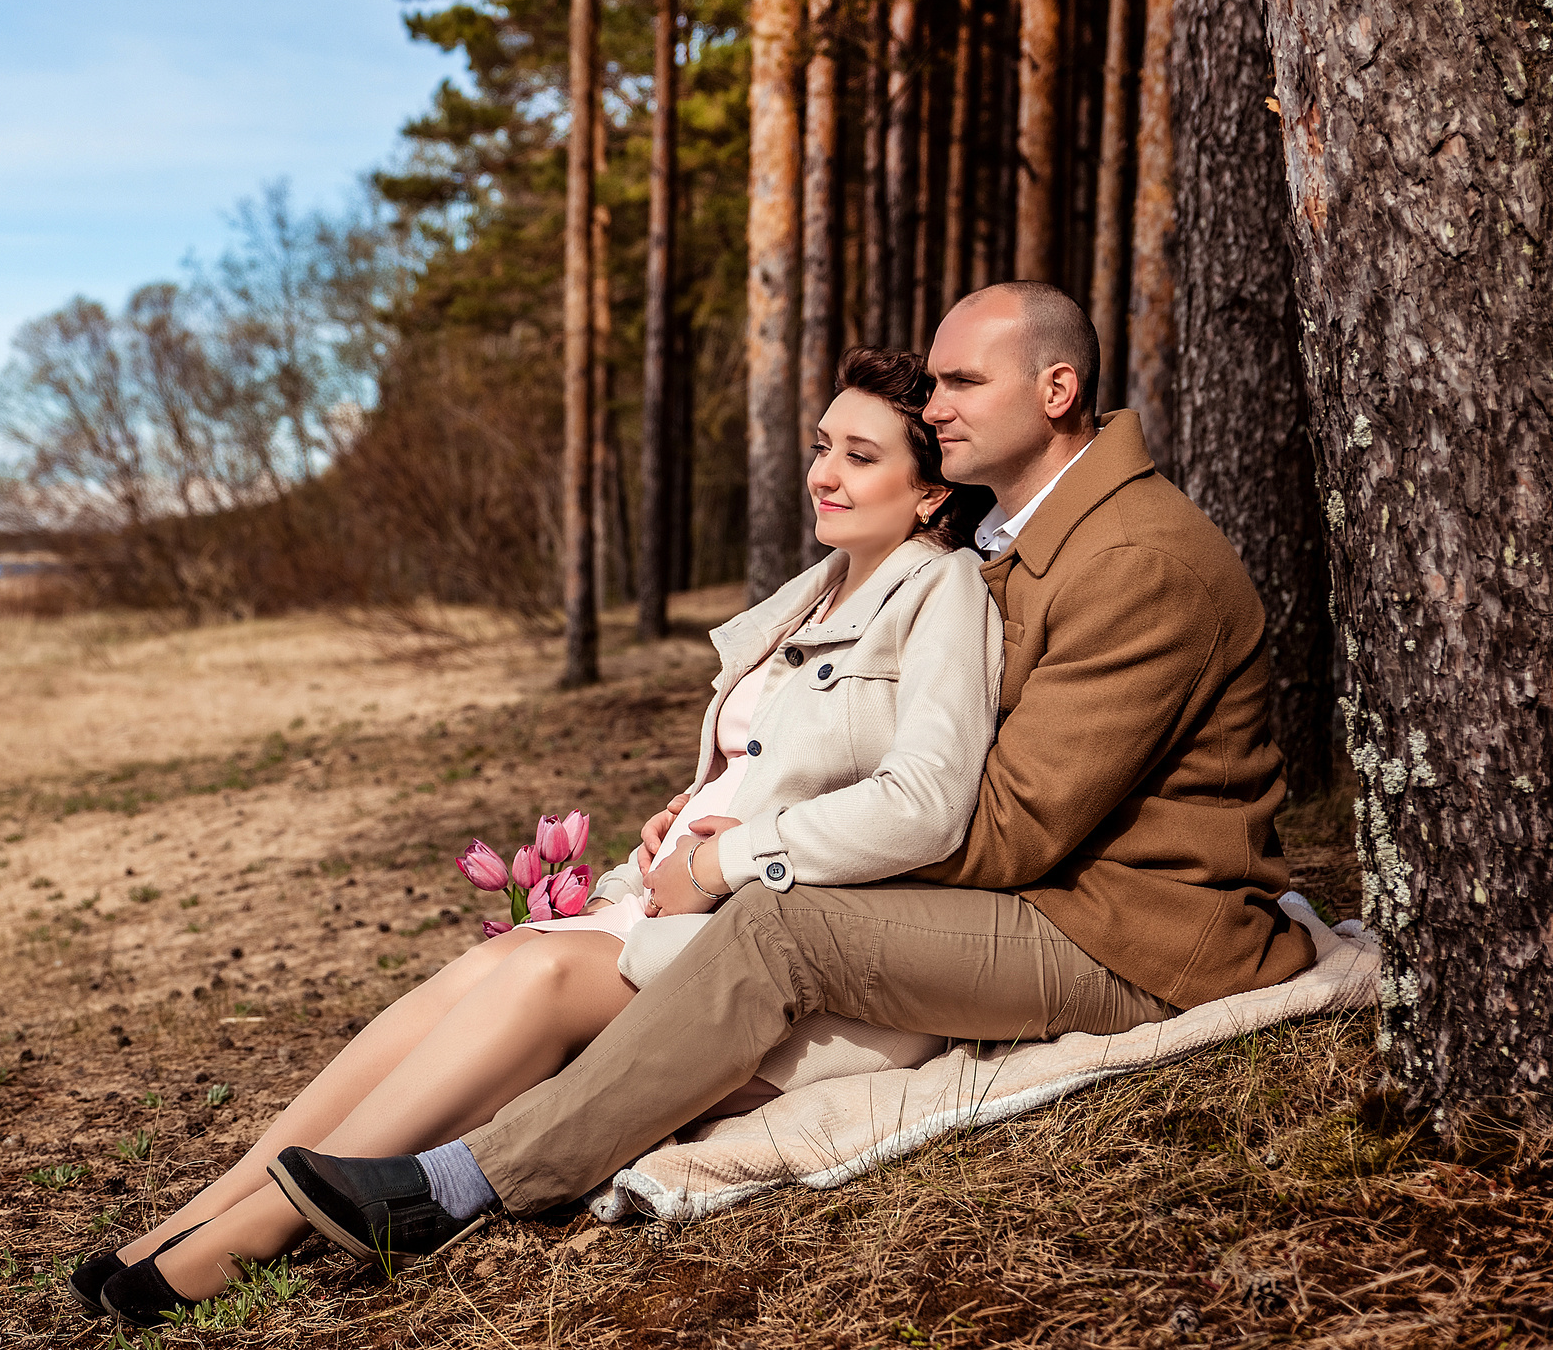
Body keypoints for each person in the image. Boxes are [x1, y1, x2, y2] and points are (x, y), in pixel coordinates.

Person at [268, 281, 1313, 1270]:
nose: (935, 405)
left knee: (784, 924)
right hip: (1066, 893)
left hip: (1139, 932)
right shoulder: (1023, 538)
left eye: (962, 384)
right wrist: (756, 810)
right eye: (933, 383)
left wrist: (752, 852)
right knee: (755, 914)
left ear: (1056, 391)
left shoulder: (1133, 559)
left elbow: (1008, 826)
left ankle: (470, 1181)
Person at [74, 347, 1002, 1325]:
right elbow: (773, 759)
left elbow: (926, 801)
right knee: (489, 968)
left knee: (535, 975)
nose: (823, 472)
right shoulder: (816, 593)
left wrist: (730, 849)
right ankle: (197, 1213)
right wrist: (685, 815)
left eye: (860, 455)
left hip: (791, 947)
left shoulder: (941, 592)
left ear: (933, 490)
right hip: (685, 902)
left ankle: (250, 1235)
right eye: (821, 446)